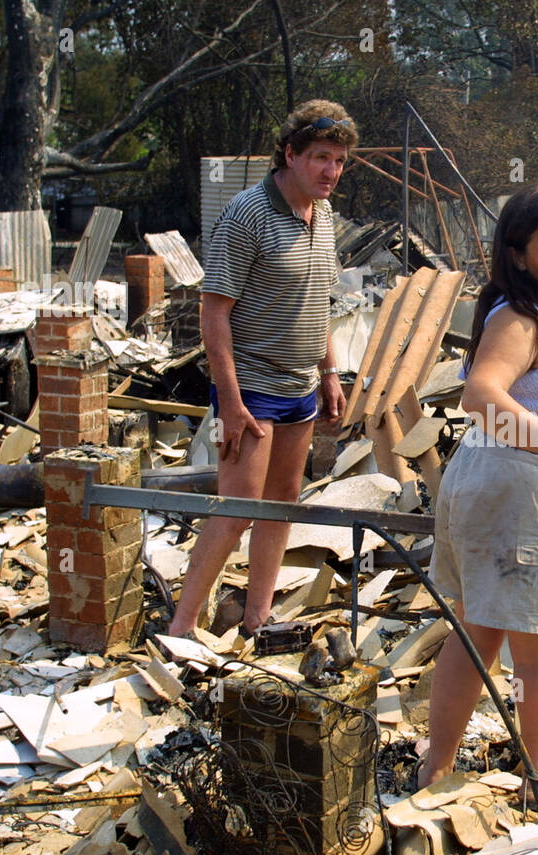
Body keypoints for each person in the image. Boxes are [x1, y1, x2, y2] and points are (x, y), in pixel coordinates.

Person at [418, 181, 538, 806]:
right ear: (519, 257)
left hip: (521, 492)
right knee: (537, 652)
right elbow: (480, 399)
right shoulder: (521, 316)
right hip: (514, 494)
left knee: (481, 635)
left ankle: (436, 770)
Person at [167, 101, 358, 637]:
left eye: (339, 161)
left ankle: (258, 618)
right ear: (291, 154)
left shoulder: (324, 219)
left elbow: (319, 301)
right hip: (250, 387)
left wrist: (329, 373)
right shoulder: (248, 213)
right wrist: (229, 402)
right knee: (235, 510)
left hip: (299, 386)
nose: (330, 172)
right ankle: (180, 628)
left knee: (281, 506)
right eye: (321, 157)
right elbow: (214, 312)